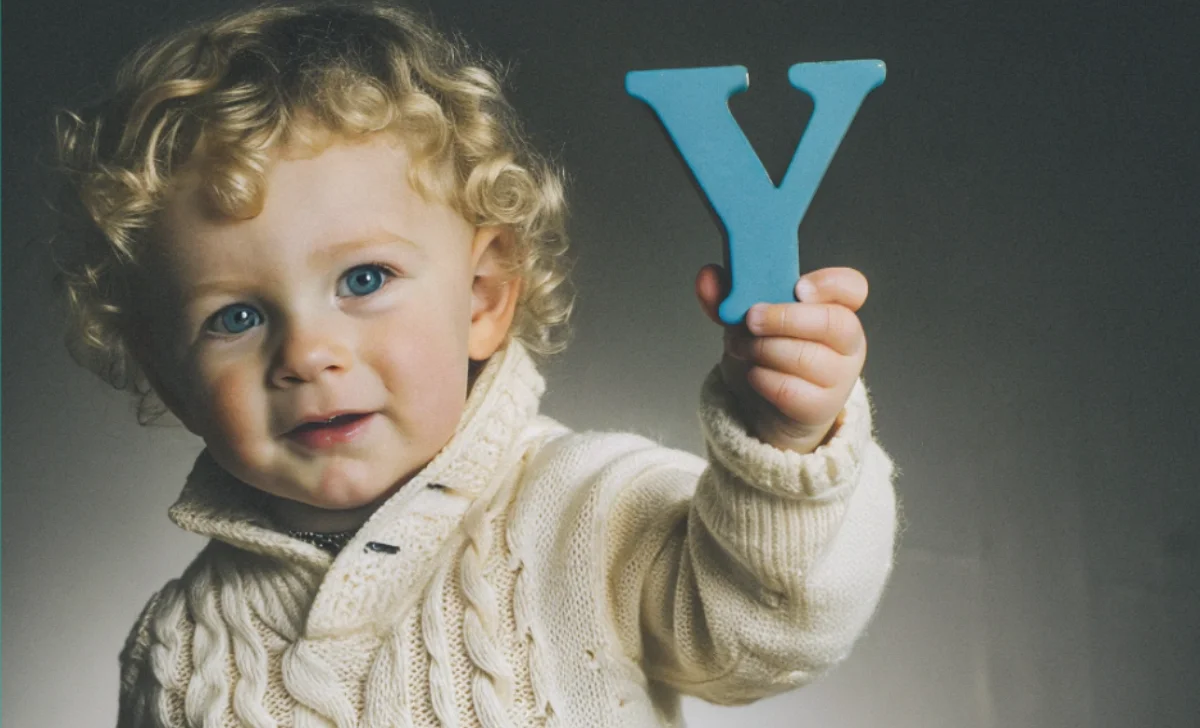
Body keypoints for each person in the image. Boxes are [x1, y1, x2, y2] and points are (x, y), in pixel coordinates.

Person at [52, 2, 899, 725]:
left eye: (364, 279)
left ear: (485, 295)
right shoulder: (179, 649)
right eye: (234, 317)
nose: (307, 354)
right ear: (169, 378)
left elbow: (767, 633)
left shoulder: (587, 508)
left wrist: (785, 443)